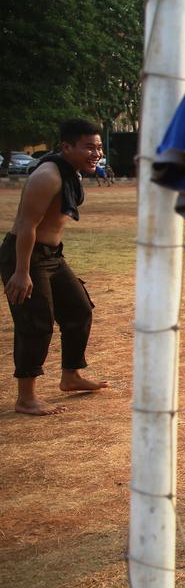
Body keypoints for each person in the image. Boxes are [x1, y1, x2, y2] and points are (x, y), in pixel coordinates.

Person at [0, 119, 110, 415]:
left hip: (51, 255)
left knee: (79, 309)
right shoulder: (47, 176)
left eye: (98, 147)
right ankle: (25, 398)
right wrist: (21, 272)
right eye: (88, 147)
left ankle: (71, 376)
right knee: (36, 323)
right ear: (66, 147)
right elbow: (25, 225)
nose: (96, 153)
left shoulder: (70, 171)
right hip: (26, 255)